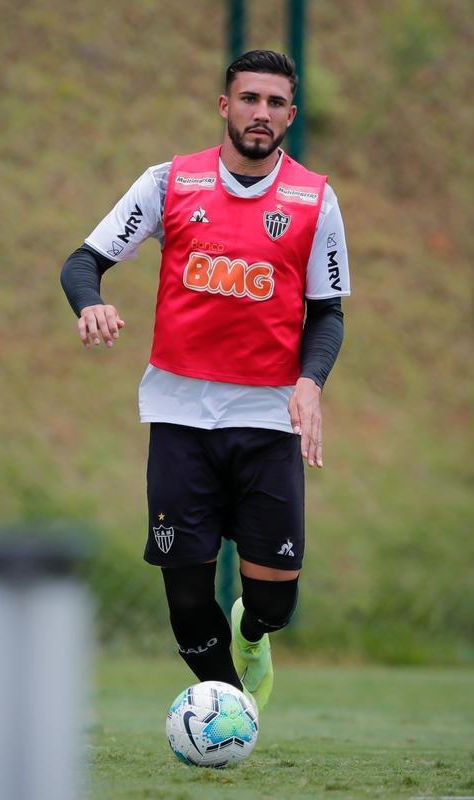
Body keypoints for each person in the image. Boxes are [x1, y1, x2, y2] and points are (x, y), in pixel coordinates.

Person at [61, 49, 350, 711]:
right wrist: (91, 303)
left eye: (275, 103)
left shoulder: (313, 199)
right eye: (249, 99)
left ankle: (253, 635)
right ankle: (227, 714)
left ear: (290, 115)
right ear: (225, 105)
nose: (261, 113)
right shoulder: (171, 183)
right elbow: (84, 262)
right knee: (188, 602)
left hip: (269, 417)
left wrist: (309, 382)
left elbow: (327, 312)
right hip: (180, 412)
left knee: (275, 602)